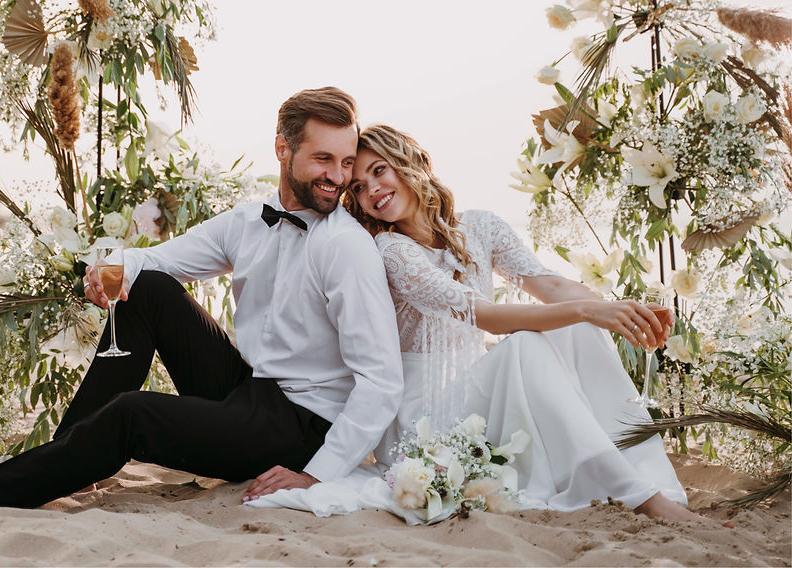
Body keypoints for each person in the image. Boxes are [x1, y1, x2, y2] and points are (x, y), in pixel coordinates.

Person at [0, 87, 405, 528]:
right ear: (282, 148)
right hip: (249, 390)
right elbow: (156, 260)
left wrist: (314, 474)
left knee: (133, 413)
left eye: (345, 162)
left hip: (300, 427)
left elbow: (382, 381)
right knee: (146, 286)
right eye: (323, 159)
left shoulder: (344, 248)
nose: (337, 177)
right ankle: (65, 461)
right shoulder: (247, 222)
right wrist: (104, 273)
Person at [248, 124, 728, 526]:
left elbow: (550, 286)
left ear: (412, 163)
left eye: (379, 171)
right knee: (525, 346)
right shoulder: (390, 251)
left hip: (477, 393)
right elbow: (486, 315)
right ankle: (639, 498)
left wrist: (616, 307)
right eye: (357, 187)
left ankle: (649, 478)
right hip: (423, 415)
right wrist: (589, 310)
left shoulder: (481, 227)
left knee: (578, 329)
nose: (371, 189)